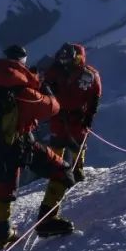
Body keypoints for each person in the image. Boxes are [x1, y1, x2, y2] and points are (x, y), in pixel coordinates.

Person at [0, 44, 73, 249]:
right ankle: (47, 221)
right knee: (63, 172)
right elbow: (52, 108)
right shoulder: (22, 91)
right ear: (22, 63)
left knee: (4, 188)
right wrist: (42, 88)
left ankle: (3, 234)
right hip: (20, 144)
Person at [44, 42, 101, 190]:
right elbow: (44, 85)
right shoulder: (55, 71)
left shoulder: (89, 75)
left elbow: (94, 97)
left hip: (77, 116)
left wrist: (89, 116)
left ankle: (77, 169)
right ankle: (57, 169)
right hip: (60, 115)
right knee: (57, 143)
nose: (64, 61)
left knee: (78, 144)